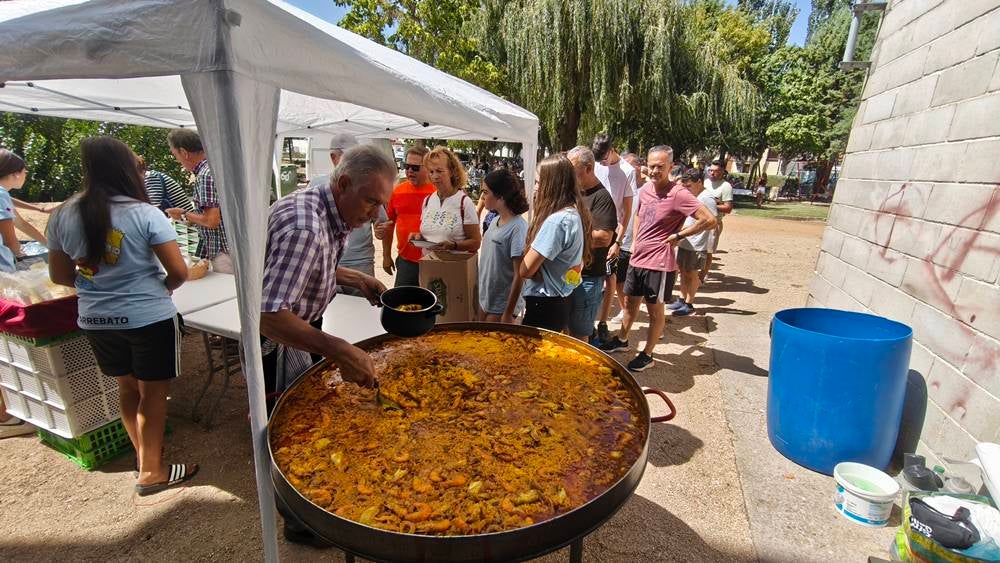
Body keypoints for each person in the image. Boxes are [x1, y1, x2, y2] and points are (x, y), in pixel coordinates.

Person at [259, 144, 395, 545]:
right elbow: (268, 314)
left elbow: (311, 264)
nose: (376, 213)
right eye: (371, 201)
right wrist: (338, 348)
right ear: (343, 182)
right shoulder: (305, 227)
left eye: (380, 203)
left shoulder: (323, 210)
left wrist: (354, 278)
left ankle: (312, 509)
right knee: (287, 433)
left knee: (311, 419)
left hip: (300, 324)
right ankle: (300, 523)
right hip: (279, 336)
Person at [46, 137, 194, 494]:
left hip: (96, 319)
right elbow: (178, 271)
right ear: (127, 170)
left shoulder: (63, 213)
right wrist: (163, 287)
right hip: (147, 316)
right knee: (154, 394)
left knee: (126, 389)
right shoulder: (144, 213)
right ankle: (152, 472)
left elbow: (60, 276)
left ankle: (145, 459)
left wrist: (95, 282)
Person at [599, 146, 716, 372]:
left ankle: (648, 354)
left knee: (655, 311)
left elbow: (709, 220)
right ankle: (622, 340)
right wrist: (634, 244)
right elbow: (641, 214)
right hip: (638, 258)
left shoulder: (678, 194)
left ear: (670, 167)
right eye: (651, 166)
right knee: (631, 304)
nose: (654, 171)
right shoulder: (645, 190)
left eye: (660, 167)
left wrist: (679, 235)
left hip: (659, 264)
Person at [519, 154, 591, 332]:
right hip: (563, 298)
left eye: (537, 182)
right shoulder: (574, 213)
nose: (534, 188)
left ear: (550, 185)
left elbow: (525, 270)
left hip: (545, 306)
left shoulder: (556, 221)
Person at [306, 134, 388, 286]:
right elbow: (274, 305)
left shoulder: (368, 184)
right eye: (347, 157)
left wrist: (380, 230)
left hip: (361, 259)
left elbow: (381, 221)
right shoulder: (316, 187)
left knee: (362, 307)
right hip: (330, 261)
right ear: (333, 157)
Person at [164, 129, 233, 274]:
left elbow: (211, 220)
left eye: (175, 155)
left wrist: (183, 214)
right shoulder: (216, 168)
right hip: (234, 246)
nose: (178, 161)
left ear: (184, 152)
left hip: (224, 251)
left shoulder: (205, 175)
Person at [566, 146, 616, 342]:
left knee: (580, 332)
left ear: (588, 168)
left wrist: (567, 240)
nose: (568, 174)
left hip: (587, 278)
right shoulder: (575, 194)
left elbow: (604, 237)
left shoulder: (602, 198)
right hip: (570, 274)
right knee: (568, 327)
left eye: (572, 168)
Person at [592, 134, 637, 343]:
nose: (602, 163)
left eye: (604, 159)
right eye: (598, 160)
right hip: (593, 229)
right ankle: (588, 320)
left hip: (612, 233)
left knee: (609, 278)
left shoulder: (628, 172)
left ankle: (602, 321)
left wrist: (619, 242)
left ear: (612, 150)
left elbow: (627, 212)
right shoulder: (596, 165)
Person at [376, 146, 436, 287]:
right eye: (406, 166)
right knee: (402, 306)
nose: (409, 171)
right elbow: (388, 227)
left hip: (434, 261)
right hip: (406, 262)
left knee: (432, 306)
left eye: (415, 167)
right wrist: (386, 256)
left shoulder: (438, 192)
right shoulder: (397, 192)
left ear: (427, 167)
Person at [477, 168, 529, 323]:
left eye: (486, 192)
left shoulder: (518, 227)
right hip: (486, 299)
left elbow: (519, 274)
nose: (482, 196)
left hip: (501, 306)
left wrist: (508, 312)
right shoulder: (494, 221)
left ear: (500, 196)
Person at [410, 146, 481, 254]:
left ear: (452, 171)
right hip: (429, 266)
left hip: (453, 267)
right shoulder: (428, 201)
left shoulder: (464, 202)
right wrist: (418, 238)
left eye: (439, 171)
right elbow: (428, 234)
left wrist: (454, 246)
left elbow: (476, 242)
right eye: (431, 171)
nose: (435, 176)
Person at [672, 168, 718, 316]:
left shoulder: (707, 198)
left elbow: (712, 222)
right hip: (685, 241)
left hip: (697, 243)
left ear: (699, 182)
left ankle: (689, 303)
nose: (686, 189)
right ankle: (681, 298)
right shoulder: (693, 196)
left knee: (692, 274)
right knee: (683, 272)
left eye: (689, 185)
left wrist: (696, 232)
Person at [702, 160, 733, 282]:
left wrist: (710, 204)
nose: (712, 173)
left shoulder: (726, 186)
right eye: (710, 170)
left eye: (716, 171)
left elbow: (728, 208)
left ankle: (703, 275)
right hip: (700, 221)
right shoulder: (705, 183)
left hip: (714, 223)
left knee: (708, 251)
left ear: (723, 172)